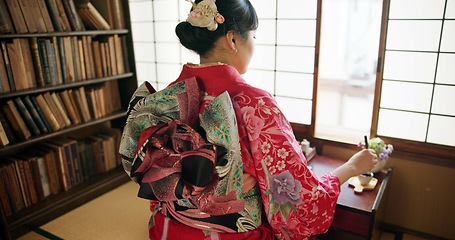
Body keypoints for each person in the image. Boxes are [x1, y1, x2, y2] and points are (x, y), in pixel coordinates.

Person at [119, 0, 378, 239]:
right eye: (252, 36)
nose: (253, 44)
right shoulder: (254, 104)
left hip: (168, 229)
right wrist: (352, 168)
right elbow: (300, 198)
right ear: (232, 39)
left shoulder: (168, 97)